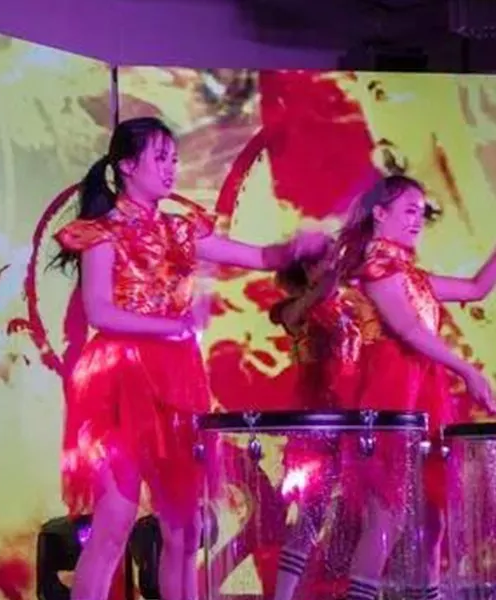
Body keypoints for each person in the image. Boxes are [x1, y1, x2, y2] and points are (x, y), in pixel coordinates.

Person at [50, 116, 330, 600]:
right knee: (114, 521)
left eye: (174, 159)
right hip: (119, 378)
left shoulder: (180, 230)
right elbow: (99, 310)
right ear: (127, 166)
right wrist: (173, 327)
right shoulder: (102, 233)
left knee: (185, 527)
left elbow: (259, 258)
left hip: (175, 378)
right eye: (160, 158)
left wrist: (293, 249)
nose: (171, 168)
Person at [305, 174, 496, 600]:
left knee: (432, 518)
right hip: (391, 394)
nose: (417, 220)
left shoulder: (410, 274)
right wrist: (467, 370)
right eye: (409, 210)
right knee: (386, 515)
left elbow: (476, 289)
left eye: (421, 213)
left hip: (424, 394)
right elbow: (408, 328)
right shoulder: (375, 266)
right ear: (380, 213)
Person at [268, 253, 366, 599]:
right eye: (322, 261)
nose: (332, 265)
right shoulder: (295, 310)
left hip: (354, 416)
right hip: (316, 419)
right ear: (307, 269)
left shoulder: (353, 306)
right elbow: (304, 308)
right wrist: (324, 285)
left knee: (364, 511)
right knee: (312, 511)